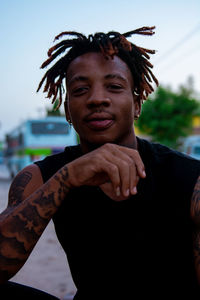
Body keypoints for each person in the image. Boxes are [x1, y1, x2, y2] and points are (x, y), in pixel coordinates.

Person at [0, 26, 200, 299]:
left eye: (114, 86)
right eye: (80, 89)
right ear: (68, 110)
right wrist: (66, 178)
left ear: (137, 103)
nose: (96, 99)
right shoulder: (42, 176)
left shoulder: (190, 177)